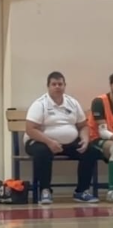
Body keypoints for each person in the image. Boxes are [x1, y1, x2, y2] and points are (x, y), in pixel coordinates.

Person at [24, 71, 100, 204]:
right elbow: (30, 129)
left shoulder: (72, 103)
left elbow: (83, 126)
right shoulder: (40, 104)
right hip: (40, 141)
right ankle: (45, 191)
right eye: (54, 84)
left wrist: (85, 139)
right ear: (48, 86)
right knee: (42, 152)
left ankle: (81, 191)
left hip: (67, 143)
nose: (57, 87)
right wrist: (49, 142)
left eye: (60, 84)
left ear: (65, 85)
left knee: (91, 150)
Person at [88, 73, 113, 202]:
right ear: (111, 85)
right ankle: (111, 191)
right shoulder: (99, 102)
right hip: (97, 139)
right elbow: (102, 132)